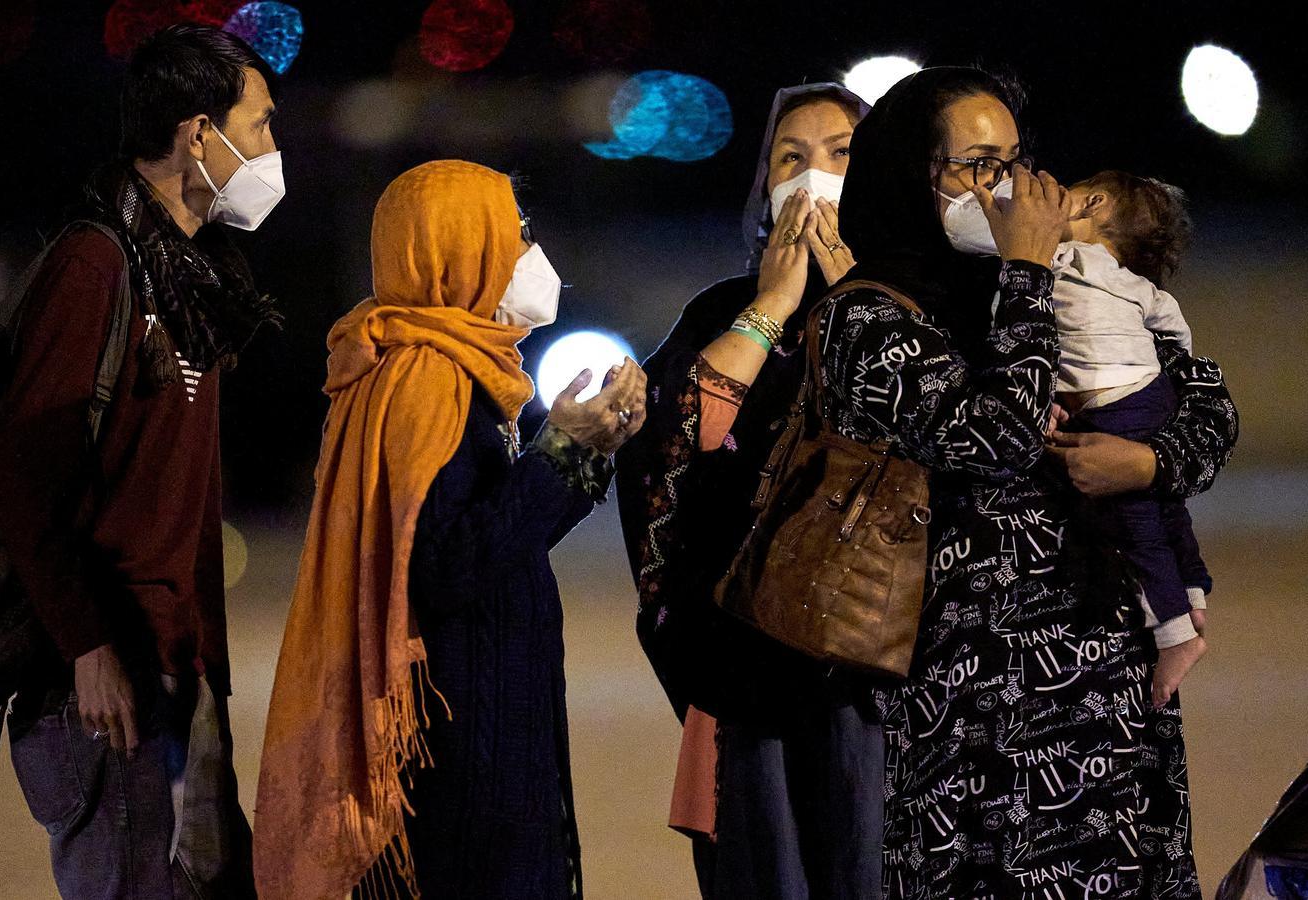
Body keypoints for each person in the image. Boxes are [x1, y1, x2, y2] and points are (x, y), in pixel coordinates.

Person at [824, 66, 1237, 898]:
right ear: (916, 173)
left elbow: (1203, 403)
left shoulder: (1065, 287)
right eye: (976, 165)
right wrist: (1025, 276)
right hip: (971, 708)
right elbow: (997, 435)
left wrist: (1148, 462)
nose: (1006, 189)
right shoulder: (867, 316)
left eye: (1012, 164)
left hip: (1105, 685)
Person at [253, 160, 647, 900]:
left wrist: (584, 452)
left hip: (476, 733)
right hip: (463, 754)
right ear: (459, 247)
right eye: (515, 231)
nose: (531, 250)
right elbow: (450, 562)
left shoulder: (445, 368)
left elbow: (489, 537)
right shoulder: (426, 379)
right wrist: (563, 451)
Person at [0, 24, 283, 898]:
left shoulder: (187, 276)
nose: (274, 150)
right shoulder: (95, 264)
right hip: (105, 690)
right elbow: (22, 475)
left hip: (177, 672)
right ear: (200, 134)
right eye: (261, 125)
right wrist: (87, 646)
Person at [616, 82, 881, 899]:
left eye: (841, 154)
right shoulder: (722, 314)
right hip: (751, 683)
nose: (813, 179)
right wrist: (772, 308)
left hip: (886, 686)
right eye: (790, 159)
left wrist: (859, 306)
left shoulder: (922, 308)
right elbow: (665, 459)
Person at [1053, 170, 1214, 708]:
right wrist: (1174, 367)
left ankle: (1175, 635)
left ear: (1092, 202)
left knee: (1136, 525)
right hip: (1150, 390)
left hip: (1110, 407)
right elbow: (1170, 320)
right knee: (1169, 509)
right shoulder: (1129, 281)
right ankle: (1191, 592)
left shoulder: (1064, 261)